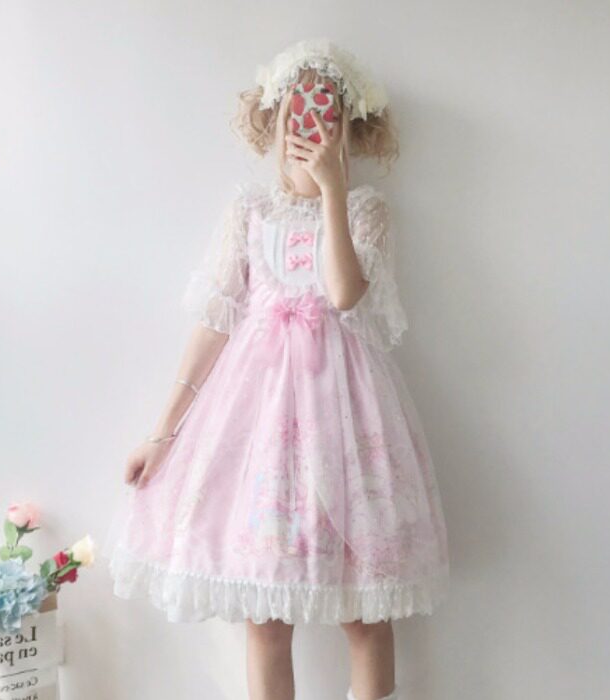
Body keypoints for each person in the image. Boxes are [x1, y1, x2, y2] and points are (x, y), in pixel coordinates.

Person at [104, 37, 450, 700]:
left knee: (365, 611)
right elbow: (215, 322)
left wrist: (334, 192)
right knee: (264, 617)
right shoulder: (251, 209)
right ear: (277, 116)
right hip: (256, 425)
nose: (309, 126)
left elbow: (345, 294)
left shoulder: (367, 211)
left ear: (347, 125)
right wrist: (162, 432)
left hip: (344, 419)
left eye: (325, 114)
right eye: (297, 111)